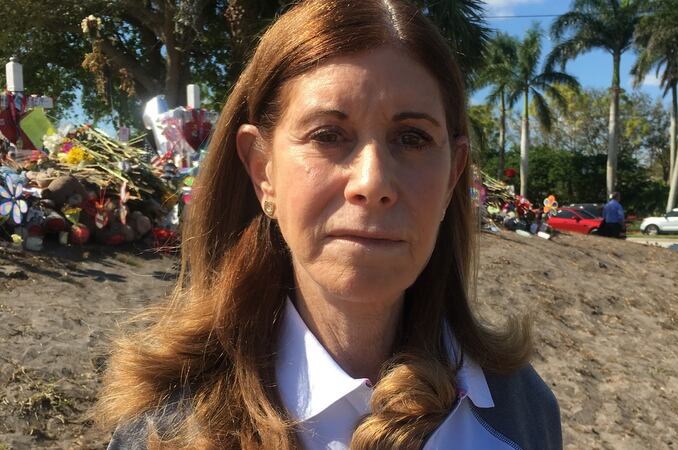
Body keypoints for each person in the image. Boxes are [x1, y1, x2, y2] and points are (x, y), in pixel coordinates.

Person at [95, 1, 562, 449]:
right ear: (262, 170)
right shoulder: (163, 431)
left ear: (452, 177)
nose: (372, 182)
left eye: (412, 138)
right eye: (328, 135)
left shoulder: (523, 411)